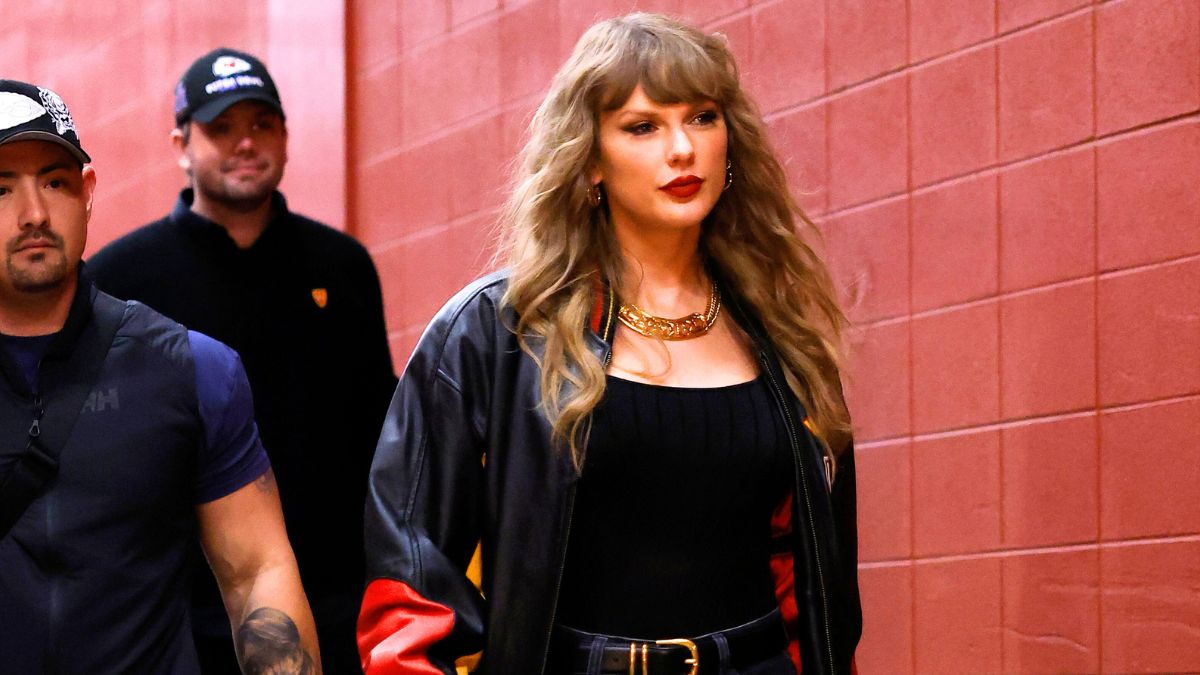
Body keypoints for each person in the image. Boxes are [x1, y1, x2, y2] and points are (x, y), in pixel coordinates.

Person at [357, 13, 861, 675]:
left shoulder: (781, 333)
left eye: (703, 117)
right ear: (589, 159)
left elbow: (816, 584)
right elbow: (412, 579)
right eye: (643, 126)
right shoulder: (495, 333)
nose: (682, 149)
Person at [88, 49, 396, 674]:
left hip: (337, 613)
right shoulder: (121, 279)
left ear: (285, 136)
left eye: (261, 124)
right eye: (221, 128)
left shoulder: (342, 266)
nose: (246, 143)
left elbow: (381, 434)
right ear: (182, 144)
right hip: (178, 627)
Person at [0, 79, 319, 673]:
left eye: (55, 181)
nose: (35, 214)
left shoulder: (192, 369)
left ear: (87, 192)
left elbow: (257, 576)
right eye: (1, 189)